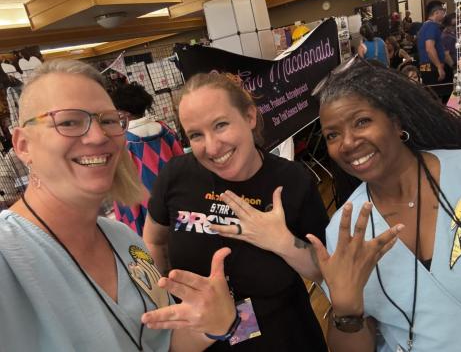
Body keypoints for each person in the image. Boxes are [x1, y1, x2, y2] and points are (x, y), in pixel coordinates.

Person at [1, 59, 239, 351]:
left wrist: (213, 326)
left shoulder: (124, 240)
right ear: (23, 144)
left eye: (108, 120)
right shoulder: (7, 257)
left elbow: (162, 344)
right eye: (68, 122)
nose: (98, 136)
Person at [307, 58, 461, 351]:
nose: (346, 143)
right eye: (333, 135)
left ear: (396, 121)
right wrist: (346, 311)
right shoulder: (344, 233)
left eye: (362, 121)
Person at [143, 72, 329, 351]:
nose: (212, 147)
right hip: (206, 340)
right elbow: (154, 240)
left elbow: (327, 272)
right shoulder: (176, 175)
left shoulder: (291, 181)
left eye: (220, 125)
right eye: (195, 135)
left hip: (281, 337)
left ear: (250, 117)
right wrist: (168, 297)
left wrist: (284, 243)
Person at [111, 82, 184, 236]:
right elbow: (182, 161)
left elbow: (122, 185)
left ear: (124, 113)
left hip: (145, 207)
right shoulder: (166, 129)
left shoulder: (124, 141)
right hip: (175, 198)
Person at [417, 0, 450, 85]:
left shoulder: (425, 26)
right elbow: (429, 48)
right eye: (443, 12)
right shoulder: (431, 26)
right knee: (437, 95)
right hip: (432, 67)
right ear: (436, 13)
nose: (444, 14)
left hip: (427, 67)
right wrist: (439, 67)